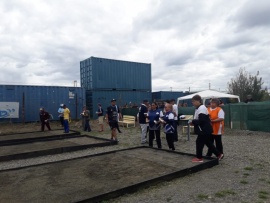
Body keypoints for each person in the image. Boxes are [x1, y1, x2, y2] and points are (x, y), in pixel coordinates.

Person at [189, 95, 223, 162]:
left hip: (204, 130)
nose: (192, 103)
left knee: (199, 142)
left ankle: (199, 158)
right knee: (208, 142)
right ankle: (219, 154)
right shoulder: (199, 108)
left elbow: (201, 120)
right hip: (205, 129)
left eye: (193, 101)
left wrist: (193, 121)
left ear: (198, 101)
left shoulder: (201, 108)